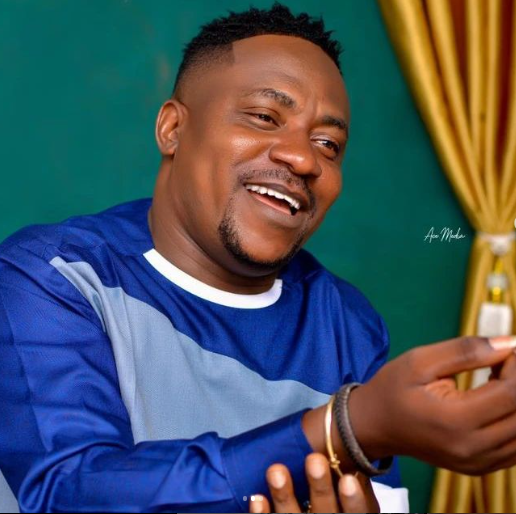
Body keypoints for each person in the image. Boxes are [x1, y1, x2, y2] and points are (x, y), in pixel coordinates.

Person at [2, 3, 516, 513]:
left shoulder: (347, 323)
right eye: (266, 117)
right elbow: (66, 493)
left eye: (328, 144)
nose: (303, 158)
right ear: (173, 129)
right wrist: (344, 429)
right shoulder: (55, 277)